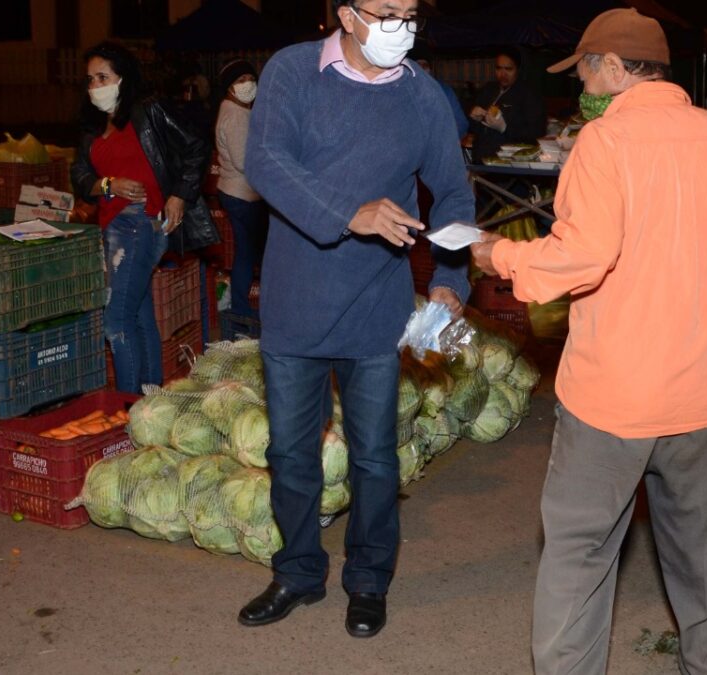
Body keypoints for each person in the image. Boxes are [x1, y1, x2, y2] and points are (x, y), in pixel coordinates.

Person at [471, 9, 707, 675]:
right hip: (702, 399)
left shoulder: (605, 143)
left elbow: (578, 259)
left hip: (609, 403)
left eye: (587, 69)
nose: (583, 85)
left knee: (579, 557)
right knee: (701, 557)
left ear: (617, 68)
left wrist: (498, 254)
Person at [238, 0, 474, 639]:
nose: (402, 24)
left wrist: (451, 279)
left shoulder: (423, 95)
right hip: (294, 304)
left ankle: (369, 581)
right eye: (386, 11)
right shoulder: (291, 73)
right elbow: (266, 162)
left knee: (374, 458)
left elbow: (453, 192)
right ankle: (297, 572)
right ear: (347, 14)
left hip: (376, 305)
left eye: (411, 11)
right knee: (290, 453)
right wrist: (351, 212)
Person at [71, 41, 216, 394]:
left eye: (103, 76)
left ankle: (129, 408)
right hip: (112, 225)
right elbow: (79, 175)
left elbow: (196, 145)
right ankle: (151, 399)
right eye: (90, 79)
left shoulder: (147, 111)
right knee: (138, 315)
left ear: (123, 77)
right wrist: (109, 184)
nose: (95, 86)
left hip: (141, 224)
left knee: (116, 322)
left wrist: (179, 195)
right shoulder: (91, 125)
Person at [214, 59, 268, 318]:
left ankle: (242, 308)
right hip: (243, 194)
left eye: (250, 78)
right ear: (229, 88)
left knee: (246, 253)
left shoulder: (235, 111)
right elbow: (244, 161)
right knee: (255, 254)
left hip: (234, 192)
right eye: (240, 81)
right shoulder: (235, 115)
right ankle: (247, 309)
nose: (248, 85)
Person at [468, 48, 546, 161]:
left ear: (518, 69)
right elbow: (472, 128)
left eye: (508, 69)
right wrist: (473, 119)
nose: (503, 74)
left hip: (509, 163)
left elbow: (537, 131)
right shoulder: (488, 90)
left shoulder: (529, 94)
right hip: (482, 158)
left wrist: (505, 128)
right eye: (498, 68)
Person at [413, 55, 469, 140]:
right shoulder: (403, 92)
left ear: (430, 70)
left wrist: (443, 141)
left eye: (424, 65)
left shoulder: (444, 90)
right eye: (417, 65)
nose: (421, 69)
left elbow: (461, 124)